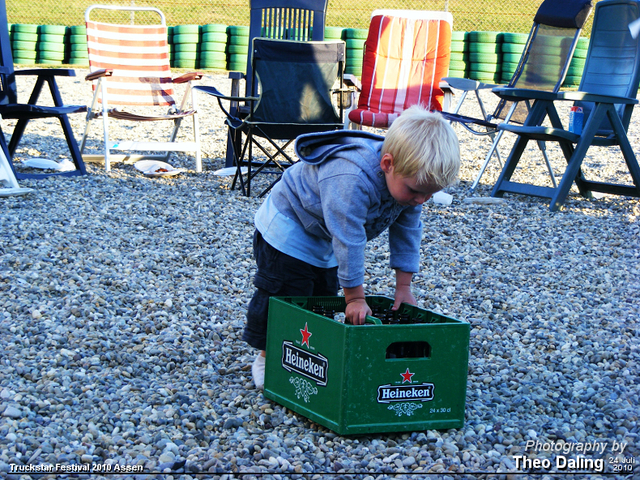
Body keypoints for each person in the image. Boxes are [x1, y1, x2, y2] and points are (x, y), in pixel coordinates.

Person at [243, 105, 461, 389]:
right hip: (289, 225)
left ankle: (303, 352)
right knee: (286, 293)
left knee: (321, 296)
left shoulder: (410, 185)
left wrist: (403, 287)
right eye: (415, 191)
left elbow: (407, 231)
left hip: (324, 231)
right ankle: (265, 355)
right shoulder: (352, 177)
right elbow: (349, 239)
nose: (421, 200)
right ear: (387, 164)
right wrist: (356, 298)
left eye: (429, 194)